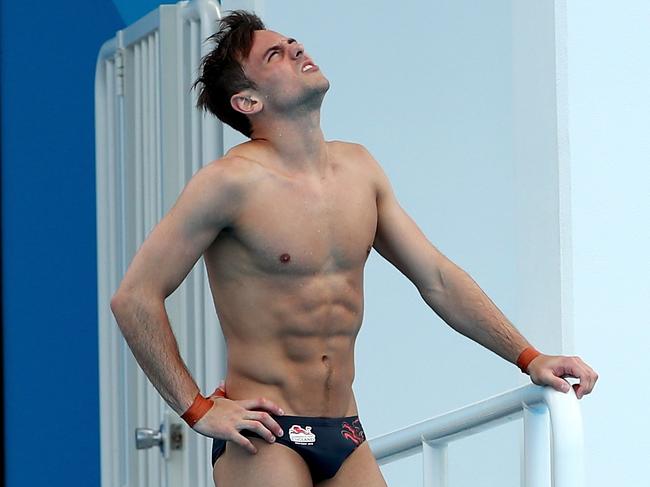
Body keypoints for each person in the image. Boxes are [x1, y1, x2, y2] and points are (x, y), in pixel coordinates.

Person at [109, 10, 599, 487]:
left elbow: (437, 278)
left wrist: (529, 357)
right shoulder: (227, 184)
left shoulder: (359, 169)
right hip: (267, 435)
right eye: (275, 55)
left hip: (346, 430)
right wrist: (197, 409)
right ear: (248, 102)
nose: (297, 49)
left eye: (292, 42)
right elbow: (133, 298)